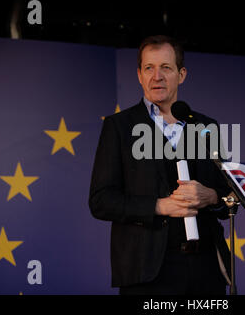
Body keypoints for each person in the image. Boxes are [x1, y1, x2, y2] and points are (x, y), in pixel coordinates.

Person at [88, 35, 232, 295]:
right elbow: (101, 200)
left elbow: (232, 194)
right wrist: (159, 205)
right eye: (149, 68)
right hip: (147, 273)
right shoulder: (119, 127)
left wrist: (210, 196)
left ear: (182, 74)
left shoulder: (207, 126)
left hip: (207, 270)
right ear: (139, 75)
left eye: (166, 67)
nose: (157, 76)